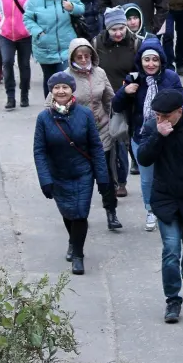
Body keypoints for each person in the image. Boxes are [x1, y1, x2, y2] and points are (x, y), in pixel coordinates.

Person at [136, 89, 183, 324]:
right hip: (166, 198)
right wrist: (158, 135)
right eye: (157, 115)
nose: (161, 119)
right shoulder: (152, 127)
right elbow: (144, 159)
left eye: (165, 115)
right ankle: (172, 300)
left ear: (179, 112)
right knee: (170, 250)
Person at [34, 71, 112, 276]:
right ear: (51, 91)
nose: (61, 91)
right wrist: (45, 179)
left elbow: (96, 147)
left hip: (82, 173)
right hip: (58, 173)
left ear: (72, 90)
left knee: (80, 214)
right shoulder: (43, 118)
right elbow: (39, 151)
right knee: (68, 213)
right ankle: (72, 240)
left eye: (65, 87)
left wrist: (103, 178)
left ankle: (78, 254)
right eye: (57, 88)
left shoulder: (85, 114)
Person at [111, 36, 183, 232]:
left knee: (171, 173)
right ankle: (150, 209)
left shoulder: (170, 77)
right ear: (140, 61)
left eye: (155, 59)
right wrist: (124, 91)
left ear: (161, 60)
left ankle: (171, 207)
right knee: (147, 178)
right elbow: (116, 106)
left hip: (169, 134)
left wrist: (178, 114)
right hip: (142, 136)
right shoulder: (133, 78)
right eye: (147, 60)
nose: (151, 64)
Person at [52, 38, 120, 231]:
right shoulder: (64, 77)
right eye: (79, 56)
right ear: (72, 57)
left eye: (86, 56)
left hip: (102, 131)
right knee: (82, 179)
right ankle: (79, 218)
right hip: (77, 136)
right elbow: (52, 104)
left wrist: (114, 119)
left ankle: (111, 212)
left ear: (92, 55)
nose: (83, 60)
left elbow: (110, 99)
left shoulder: (100, 73)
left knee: (105, 173)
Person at [94, 5, 146, 197]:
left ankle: (124, 176)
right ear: (107, 29)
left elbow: (143, 70)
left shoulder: (136, 44)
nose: (118, 33)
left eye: (121, 28)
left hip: (129, 98)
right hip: (105, 99)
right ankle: (118, 182)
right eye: (114, 29)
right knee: (114, 140)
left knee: (126, 138)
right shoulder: (97, 43)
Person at [23, 0, 85, 96]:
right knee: (50, 81)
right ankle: (50, 109)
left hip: (66, 46)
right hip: (45, 47)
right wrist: (38, 33)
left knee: (64, 78)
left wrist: (72, 7)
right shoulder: (34, 0)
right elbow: (27, 19)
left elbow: (81, 9)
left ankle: (66, 108)